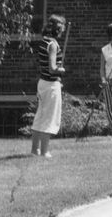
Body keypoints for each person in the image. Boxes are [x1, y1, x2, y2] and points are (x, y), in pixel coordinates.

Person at [30, 14, 67, 157]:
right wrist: (61, 70)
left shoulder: (43, 41)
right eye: (61, 29)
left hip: (43, 83)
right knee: (49, 117)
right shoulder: (53, 44)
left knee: (40, 115)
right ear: (57, 29)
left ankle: (35, 150)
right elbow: (52, 68)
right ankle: (45, 151)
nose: (63, 31)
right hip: (51, 84)